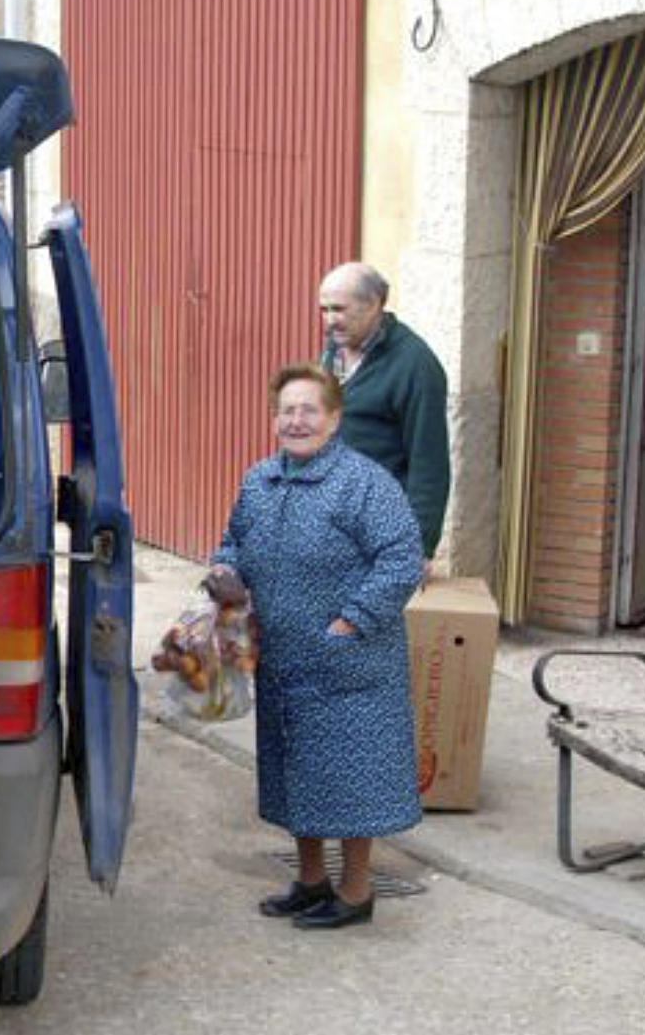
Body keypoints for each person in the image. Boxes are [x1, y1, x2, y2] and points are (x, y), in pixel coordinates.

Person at [210, 364, 423, 929]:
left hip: (349, 662)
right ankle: (310, 881)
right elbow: (233, 538)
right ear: (274, 418)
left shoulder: (364, 483)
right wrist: (224, 567)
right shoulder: (260, 480)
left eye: (309, 410)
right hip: (281, 659)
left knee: (351, 779)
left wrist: (350, 624)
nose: (296, 420)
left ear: (334, 418)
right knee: (293, 771)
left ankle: (355, 892)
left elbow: (402, 559)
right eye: (287, 410)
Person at [317, 261, 450, 574]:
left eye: (339, 309)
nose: (329, 320)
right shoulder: (334, 350)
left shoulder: (416, 366)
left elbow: (429, 463)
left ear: (374, 304)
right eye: (324, 310)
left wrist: (419, 546)